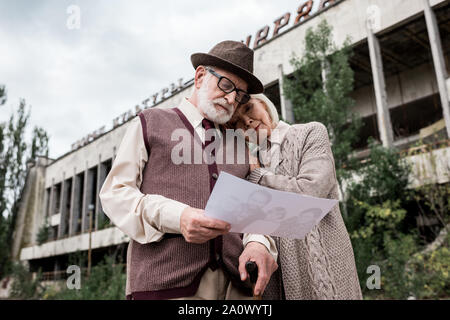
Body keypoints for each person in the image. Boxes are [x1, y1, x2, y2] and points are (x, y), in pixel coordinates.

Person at [99, 41, 278, 300]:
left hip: (237, 289)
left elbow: (254, 208)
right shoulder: (150, 122)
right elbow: (115, 194)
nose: (231, 98)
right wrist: (177, 217)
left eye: (239, 94)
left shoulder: (240, 145)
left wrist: (259, 243)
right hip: (164, 287)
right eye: (226, 85)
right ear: (200, 76)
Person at [226, 93, 363, 300]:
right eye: (236, 122)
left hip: (324, 266)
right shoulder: (247, 163)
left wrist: (258, 177)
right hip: (279, 281)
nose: (247, 121)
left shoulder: (311, 132)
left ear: (263, 104)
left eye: (248, 109)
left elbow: (311, 192)